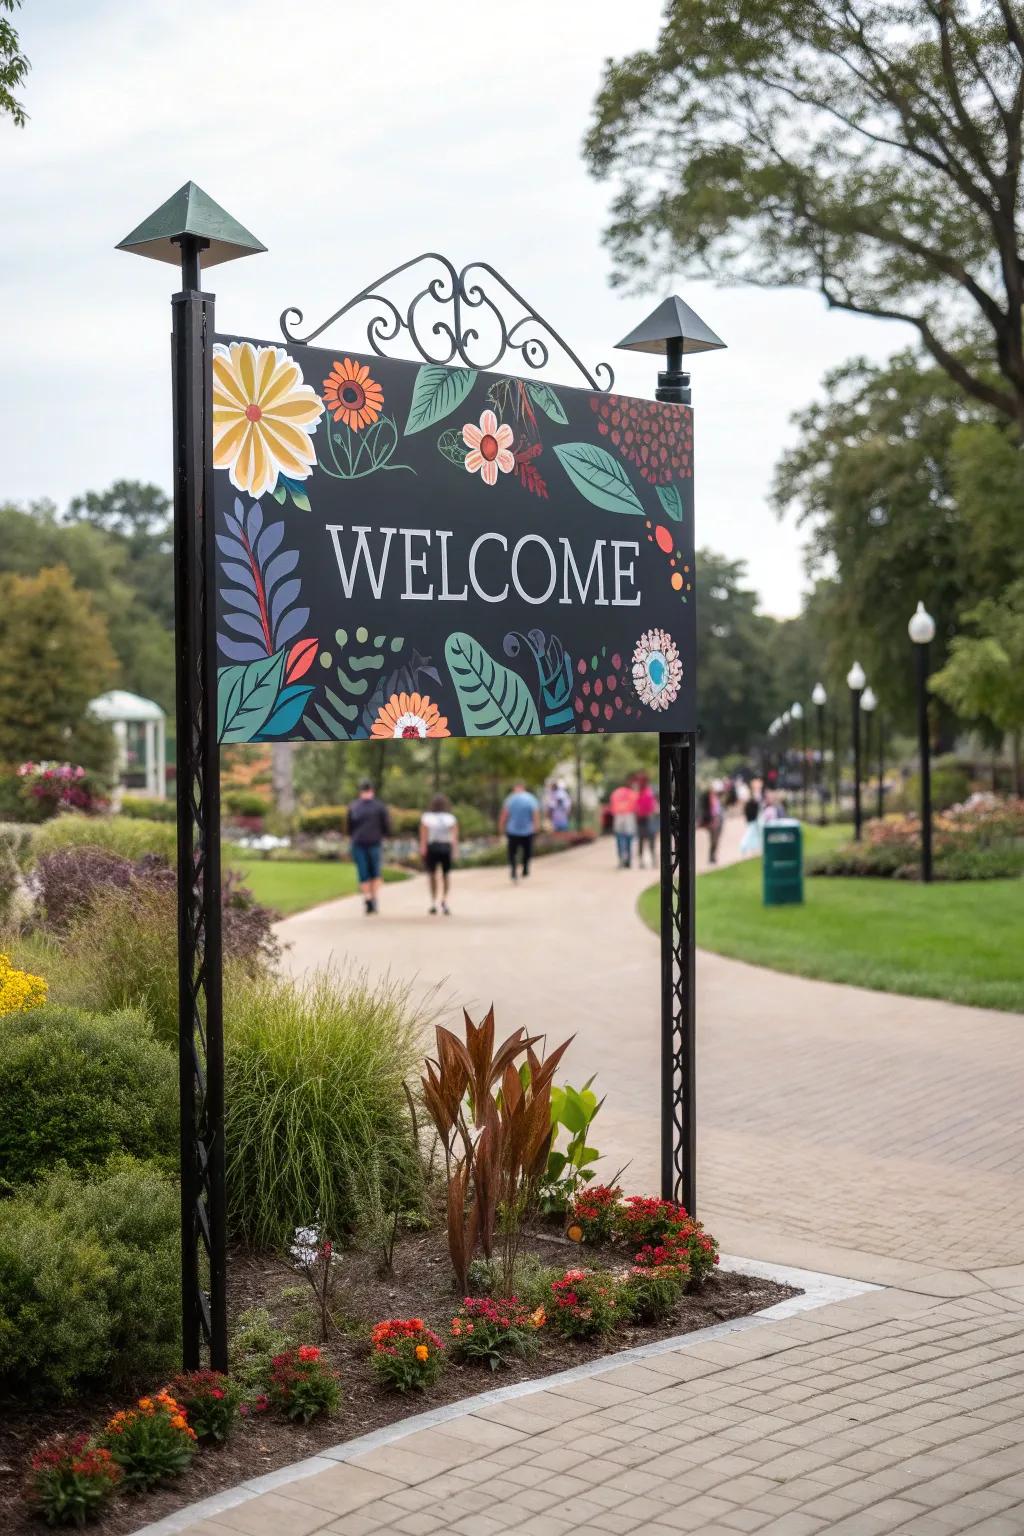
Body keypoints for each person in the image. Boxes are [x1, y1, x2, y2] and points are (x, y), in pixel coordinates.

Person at [347, 779, 391, 914]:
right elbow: (386, 826)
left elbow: (349, 827)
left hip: (359, 842)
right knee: (375, 872)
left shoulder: (354, 806)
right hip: (374, 842)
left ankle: (367, 898)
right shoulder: (379, 807)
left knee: (363, 872)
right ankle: (373, 898)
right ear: (372, 790)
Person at [419, 793, 459, 915]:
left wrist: (423, 848)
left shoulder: (427, 817)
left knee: (432, 874)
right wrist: (455, 850)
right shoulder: (450, 818)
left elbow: (424, 835)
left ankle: (434, 901)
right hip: (445, 846)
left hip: (432, 847)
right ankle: (444, 899)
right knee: (445, 875)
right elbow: (454, 836)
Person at [499, 780, 540, 880]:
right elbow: (535, 814)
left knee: (512, 853)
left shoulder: (510, 798)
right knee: (527, 851)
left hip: (512, 831)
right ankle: (525, 868)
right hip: (527, 830)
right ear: (523, 787)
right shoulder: (530, 798)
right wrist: (536, 827)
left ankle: (513, 870)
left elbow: (504, 815)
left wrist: (501, 828)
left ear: (515, 788)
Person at [609, 779, 638, 868]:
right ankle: (628, 860)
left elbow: (612, 806)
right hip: (629, 816)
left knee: (620, 838)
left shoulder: (615, 793)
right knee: (629, 839)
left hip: (618, 816)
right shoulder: (632, 793)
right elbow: (636, 806)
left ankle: (621, 858)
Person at [634, 775, 658, 868]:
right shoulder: (641, 793)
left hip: (647, 819)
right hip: (643, 819)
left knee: (647, 840)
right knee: (642, 840)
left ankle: (651, 860)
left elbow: (652, 807)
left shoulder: (647, 793)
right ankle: (643, 861)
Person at [699, 780, 725, 865]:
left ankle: (713, 856)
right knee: (713, 839)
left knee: (716, 839)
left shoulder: (718, 797)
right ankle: (711, 857)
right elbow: (705, 809)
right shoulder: (707, 797)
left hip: (719, 819)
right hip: (712, 821)